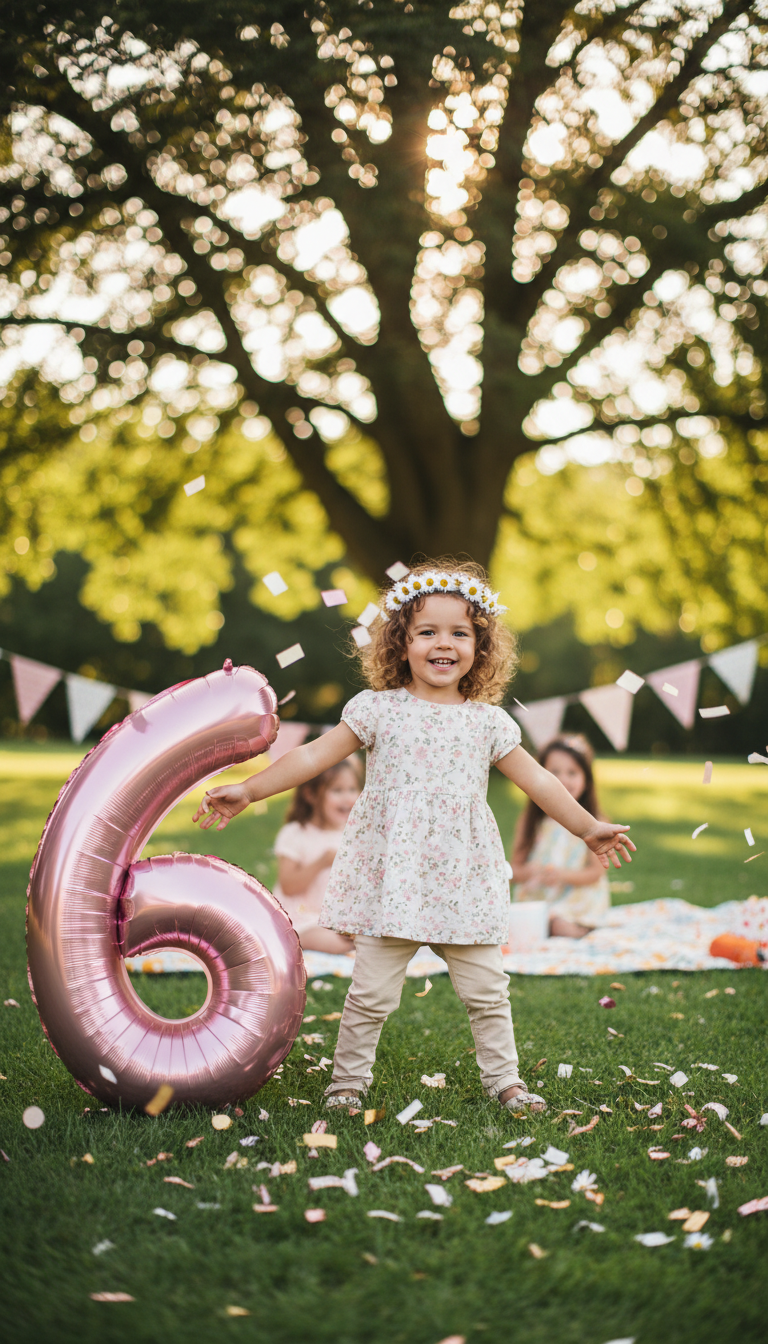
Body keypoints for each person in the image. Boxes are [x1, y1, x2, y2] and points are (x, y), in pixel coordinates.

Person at [193, 560, 635, 1116]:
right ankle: (347, 1084)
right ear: (401, 643)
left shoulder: (487, 723)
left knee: (487, 992)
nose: (443, 643)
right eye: (427, 631)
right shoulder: (377, 711)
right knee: (370, 994)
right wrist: (250, 789)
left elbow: (541, 781)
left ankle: (505, 1082)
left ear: (480, 646)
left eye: (459, 633)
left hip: (463, 879)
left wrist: (587, 826)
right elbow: (311, 756)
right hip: (394, 882)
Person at [511, 735, 610, 938]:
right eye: (554, 772)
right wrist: (530, 872)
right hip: (537, 898)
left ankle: (580, 928)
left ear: (586, 779)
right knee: (517, 926)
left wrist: (561, 876)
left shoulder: (594, 823)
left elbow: (596, 873)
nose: (563, 780)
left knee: (558, 925)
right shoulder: (532, 821)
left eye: (572, 773)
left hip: (576, 899)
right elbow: (514, 870)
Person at [273, 759, 362, 955]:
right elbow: (288, 886)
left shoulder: (355, 834)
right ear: (311, 794)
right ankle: (294, 939)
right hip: (302, 918)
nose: (347, 798)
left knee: (370, 939)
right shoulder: (296, 833)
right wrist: (322, 862)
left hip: (338, 920)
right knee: (336, 944)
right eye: (337, 790)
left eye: (352, 789)